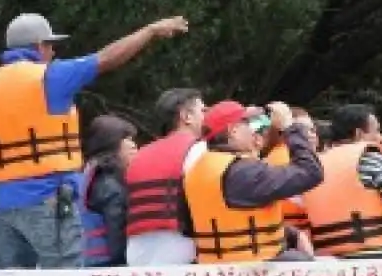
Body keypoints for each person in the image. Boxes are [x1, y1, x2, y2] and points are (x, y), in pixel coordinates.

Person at [0, 13, 188, 269]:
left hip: (4, 209)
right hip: (49, 201)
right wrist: (150, 31)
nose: (53, 52)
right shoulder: (51, 77)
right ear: (38, 46)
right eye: (50, 45)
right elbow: (107, 58)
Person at [183, 101, 323, 264]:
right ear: (233, 131)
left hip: (213, 268)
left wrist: (290, 233)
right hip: (254, 268)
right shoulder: (244, 171)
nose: (255, 131)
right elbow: (310, 172)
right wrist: (289, 127)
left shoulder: (195, 171)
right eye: (248, 124)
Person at [302, 104, 382, 258]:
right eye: (377, 131)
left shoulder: (314, 167)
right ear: (359, 134)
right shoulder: (372, 160)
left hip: (329, 263)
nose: (381, 138)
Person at [124, 88, 206, 266]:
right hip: (182, 250)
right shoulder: (199, 150)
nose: (206, 117)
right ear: (187, 117)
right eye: (203, 111)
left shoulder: (138, 155)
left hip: (137, 253)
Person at [80, 115, 137, 267]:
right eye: (128, 139)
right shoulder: (109, 183)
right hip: (104, 266)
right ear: (112, 143)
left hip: (85, 261)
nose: (134, 145)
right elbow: (116, 233)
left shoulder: (88, 173)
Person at [262, 107, 319, 235]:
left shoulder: (319, 161)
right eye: (301, 130)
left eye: (312, 130)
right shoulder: (280, 160)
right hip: (295, 238)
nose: (310, 135)